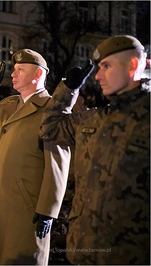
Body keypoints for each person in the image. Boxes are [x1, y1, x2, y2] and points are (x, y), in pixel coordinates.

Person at [40, 35, 150, 264]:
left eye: (106, 66)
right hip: (83, 251)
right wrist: (68, 90)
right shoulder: (95, 120)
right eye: (98, 68)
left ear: (132, 66)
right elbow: (50, 129)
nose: (98, 76)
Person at [0, 50, 70, 265]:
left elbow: (57, 164)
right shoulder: (8, 105)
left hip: (25, 207)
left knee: (16, 258)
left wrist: (47, 211)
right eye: (13, 70)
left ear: (38, 75)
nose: (13, 74)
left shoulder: (50, 110)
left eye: (20, 69)